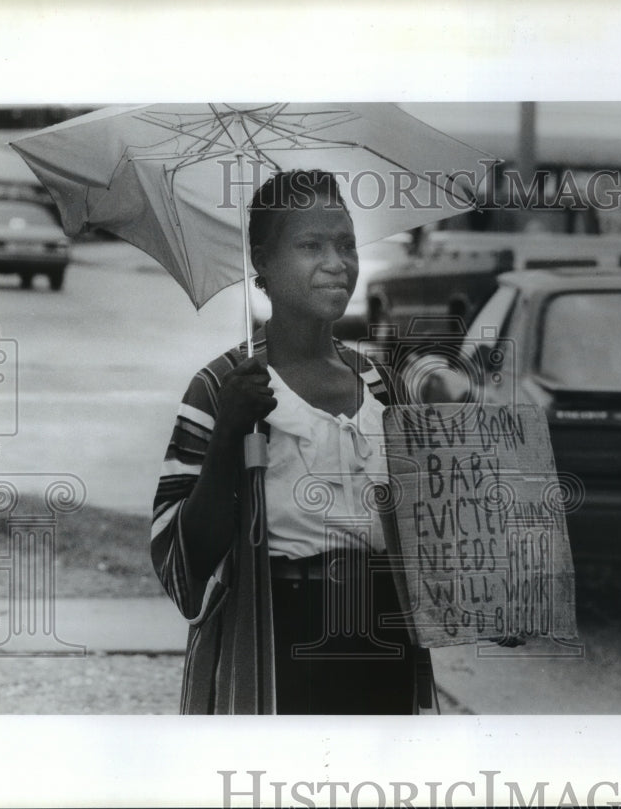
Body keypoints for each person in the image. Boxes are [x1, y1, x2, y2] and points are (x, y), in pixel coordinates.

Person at [151, 169, 432, 714]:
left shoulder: (379, 385)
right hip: (277, 643)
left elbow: (426, 531)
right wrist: (230, 432)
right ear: (263, 263)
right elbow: (184, 558)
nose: (337, 262)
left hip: (383, 639)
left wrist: (493, 597)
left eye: (346, 244)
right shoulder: (222, 388)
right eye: (310, 245)